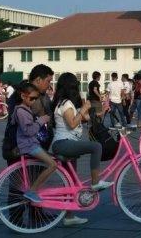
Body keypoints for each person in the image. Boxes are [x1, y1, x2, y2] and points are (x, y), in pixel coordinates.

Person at [51, 72, 113, 226]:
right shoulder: (65, 103)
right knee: (96, 146)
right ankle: (95, 182)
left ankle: (69, 217)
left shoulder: (66, 103)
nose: (79, 89)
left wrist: (103, 110)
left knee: (71, 182)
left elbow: (86, 118)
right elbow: (72, 123)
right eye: (77, 86)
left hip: (67, 143)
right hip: (64, 143)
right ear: (72, 87)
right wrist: (84, 106)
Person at [13, 82, 56, 203]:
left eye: (36, 98)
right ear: (23, 96)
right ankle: (32, 191)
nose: (34, 101)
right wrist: (41, 121)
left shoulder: (24, 109)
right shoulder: (21, 111)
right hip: (29, 145)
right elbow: (28, 131)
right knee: (53, 165)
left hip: (31, 143)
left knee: (51, 160)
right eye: (32, 98)